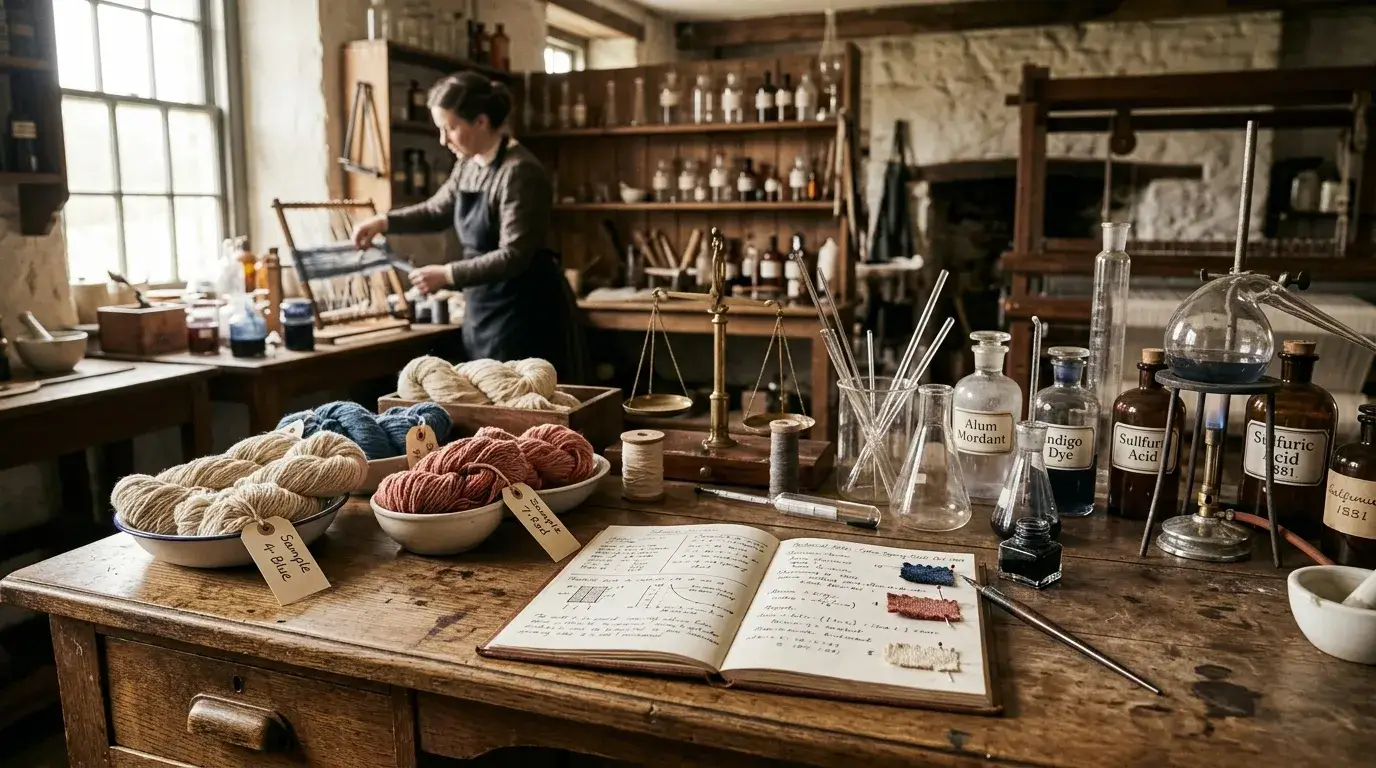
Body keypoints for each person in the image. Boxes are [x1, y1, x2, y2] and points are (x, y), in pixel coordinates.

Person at [352, 72, 585, 380]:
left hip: (523, 311)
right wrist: (384, 221)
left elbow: (513, 255)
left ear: (481, 122)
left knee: (521, 405)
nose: (443, 140)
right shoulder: (467, 165)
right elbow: (437, 210)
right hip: (483, 307)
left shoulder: (520, 172)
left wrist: (447, 274)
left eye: (450, 128)